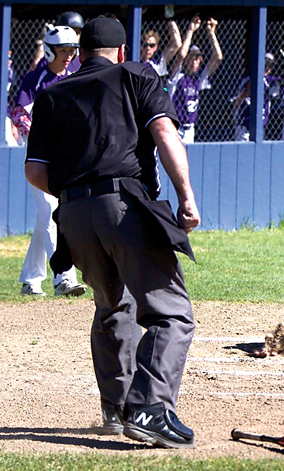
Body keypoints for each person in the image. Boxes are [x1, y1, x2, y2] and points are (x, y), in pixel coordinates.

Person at [24, 17, 200, 448]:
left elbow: (34, 171)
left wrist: (75, 195)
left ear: (80, 53)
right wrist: (186, 196)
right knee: (170, 312)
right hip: (122, 204)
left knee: (111, 307)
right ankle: (152, 407)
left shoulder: (52, 92)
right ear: (121, 52)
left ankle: (117, 409)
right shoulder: (137, 73)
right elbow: (163, 132)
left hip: (72, 215)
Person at [13, 26, 87, 297]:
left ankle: (30, 280)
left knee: (46, 216)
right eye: (63, 50)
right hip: (39, 156)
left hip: (65, 156)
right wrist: (42, 135)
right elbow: (19, 114)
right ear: (49, 50)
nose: (68, 55)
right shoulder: (36, 78)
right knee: (50, 211)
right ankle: (63, 277)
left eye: (72, 50)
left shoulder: (75, 77)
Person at [167, 15, 223, 143]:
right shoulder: (177, 76)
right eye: (191, 57)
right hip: (175, 128)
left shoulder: (198, 79)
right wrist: (191, 30)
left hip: (190, 128)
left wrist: (211, 33)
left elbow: (218, 57)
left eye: (197, 58)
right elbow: (181, 55)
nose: (194, 61)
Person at [232, 53, 280, 141]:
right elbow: (235, 103)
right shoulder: (246, 79)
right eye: (264, 63)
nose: (266, 67)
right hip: (244, 127)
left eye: (269, 65)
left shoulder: (270, 81)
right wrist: (247, 91)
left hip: (261, 128)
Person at [139, 12, 182, 79]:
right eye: (145, 45)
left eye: (151, 45)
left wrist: (169, 19)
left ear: (156, 47)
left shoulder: (158, 60)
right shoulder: (134, 59)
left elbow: (177, 44)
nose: (148, 48)